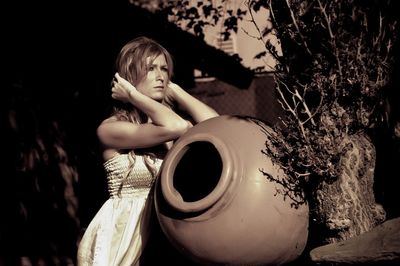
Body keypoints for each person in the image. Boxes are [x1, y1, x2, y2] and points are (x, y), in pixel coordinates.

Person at [77, 36, 218, 266]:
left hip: (164, 233)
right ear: (129, 77)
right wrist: (133, 95)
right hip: (124, 236)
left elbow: (218, 126)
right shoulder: (110, 129)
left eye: (164, 69)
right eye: (150, 68)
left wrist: (176, 90)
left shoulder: (166, 127)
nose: (160, 76)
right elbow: (177, 126)